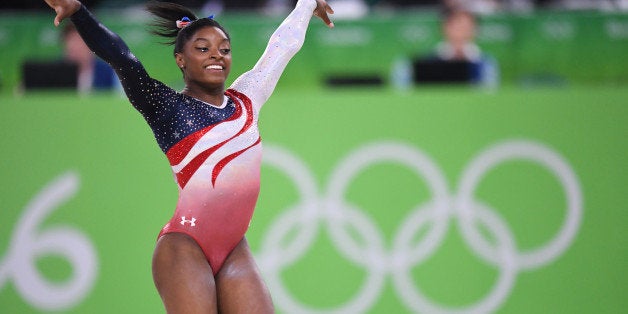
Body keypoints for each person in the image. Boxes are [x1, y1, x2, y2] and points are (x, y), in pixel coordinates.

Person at [42, 0, 334, 312]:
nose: (216, 56)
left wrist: (305, 5)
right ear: (181, 60)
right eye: (203, 48)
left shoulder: (247, 100)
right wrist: (78, 12)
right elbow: (122, 58)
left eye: (224, 49)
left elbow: (281, 49)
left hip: (234, 247)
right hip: (184, 245)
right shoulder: (166, 107)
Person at [62, 23, 119, 92]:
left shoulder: (108, 72)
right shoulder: (56, 72)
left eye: (80, 41)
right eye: (71, 41)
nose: (75, 47)